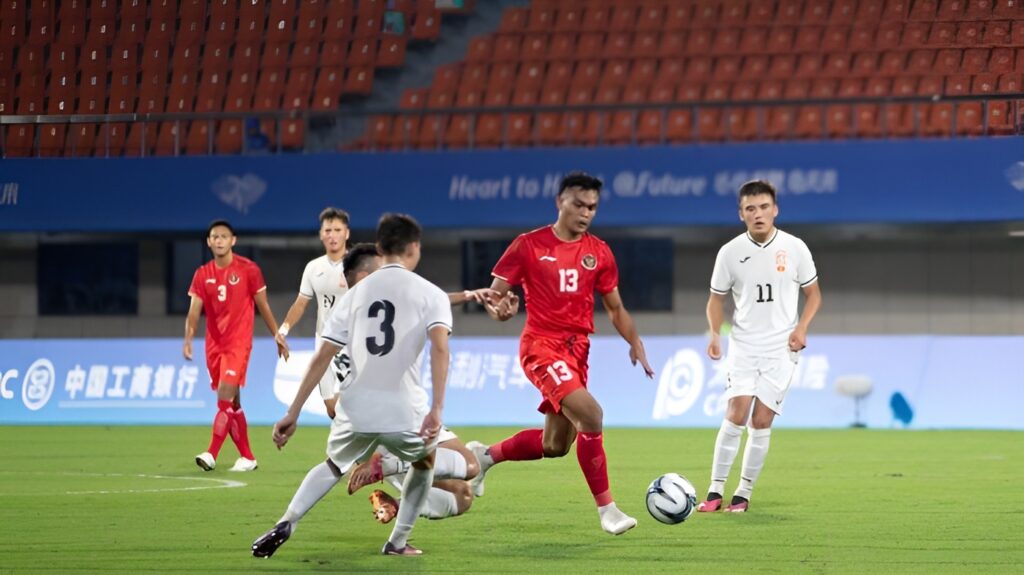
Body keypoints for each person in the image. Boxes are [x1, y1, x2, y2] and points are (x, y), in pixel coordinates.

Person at [252, 213, 453, 558]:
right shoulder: (431, 293)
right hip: (404, 408)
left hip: (355, 407)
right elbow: (439, 348)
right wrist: (436, 408)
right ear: (414, 248)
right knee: (423, 463)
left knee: (332, 465)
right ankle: (397, 542)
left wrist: (293, 412)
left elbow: (321, 358)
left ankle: (288, 520)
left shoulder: (355, 295)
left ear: (381, 247)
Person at [467, 171, 655, 536]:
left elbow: (615, 308)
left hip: (578, 351)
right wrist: (500, 310)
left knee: (555, 445)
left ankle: (483, 456)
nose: (586, 213)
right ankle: (608, 511)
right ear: (560, 202)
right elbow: (496, 295)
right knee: (592, 414)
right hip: (541, 346)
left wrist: (635, 340)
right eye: (579, 205)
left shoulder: (598, 252)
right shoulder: (528, 245)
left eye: (593, 207)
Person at [696, 179, 822, 513]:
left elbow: (814, 295)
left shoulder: (795, 248)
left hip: (781, 348)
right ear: (741, 214)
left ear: (775, 209)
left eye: (764, 207)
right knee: (735, 412)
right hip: (743, 345)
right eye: (750, 208)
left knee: (761, 421)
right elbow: (715, 300)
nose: (758, 213)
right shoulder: (730, 253)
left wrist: (802, 327)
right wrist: (713, 334)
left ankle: (743, 494)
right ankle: (714, 491)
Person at [184, 219, 289, 472]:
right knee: (233, 405)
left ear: (233, 240)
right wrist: (188, 339)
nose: (219, 240)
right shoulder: (202, 274)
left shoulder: (248, 270)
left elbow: (263, 306)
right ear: (209, 242)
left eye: (224, 236)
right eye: (214, 237)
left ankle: (211, 453)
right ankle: (248, 457)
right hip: (213, 346)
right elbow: (193, 313)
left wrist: (277, 335)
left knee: (223, 400)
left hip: (238, 345)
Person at [275, 207, 351, 419]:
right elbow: (301, 303)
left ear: (347, 233)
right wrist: (284, 330)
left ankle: (346, 452)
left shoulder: (357, 266)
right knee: (331, 407)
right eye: (328, 230)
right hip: (324, 342)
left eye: (337, 229)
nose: (332, 235)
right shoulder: (313, 267)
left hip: (351, 344)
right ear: (321, 234)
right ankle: (351, 450)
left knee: (350, 405)